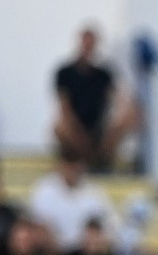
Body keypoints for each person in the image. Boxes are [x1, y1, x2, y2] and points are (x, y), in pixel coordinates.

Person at [52, 25, 136, 167]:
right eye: (86, 42)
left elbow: (118, 99)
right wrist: (79, 133)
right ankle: (89, 160)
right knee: (60, 127)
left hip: (98, 129)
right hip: (75, 129)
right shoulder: (64, 72)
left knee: (131, 116)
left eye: (92, 43)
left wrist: (125, 114)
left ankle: (98, 158)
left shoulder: (104, 74)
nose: (88, 47)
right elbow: (64, 107)